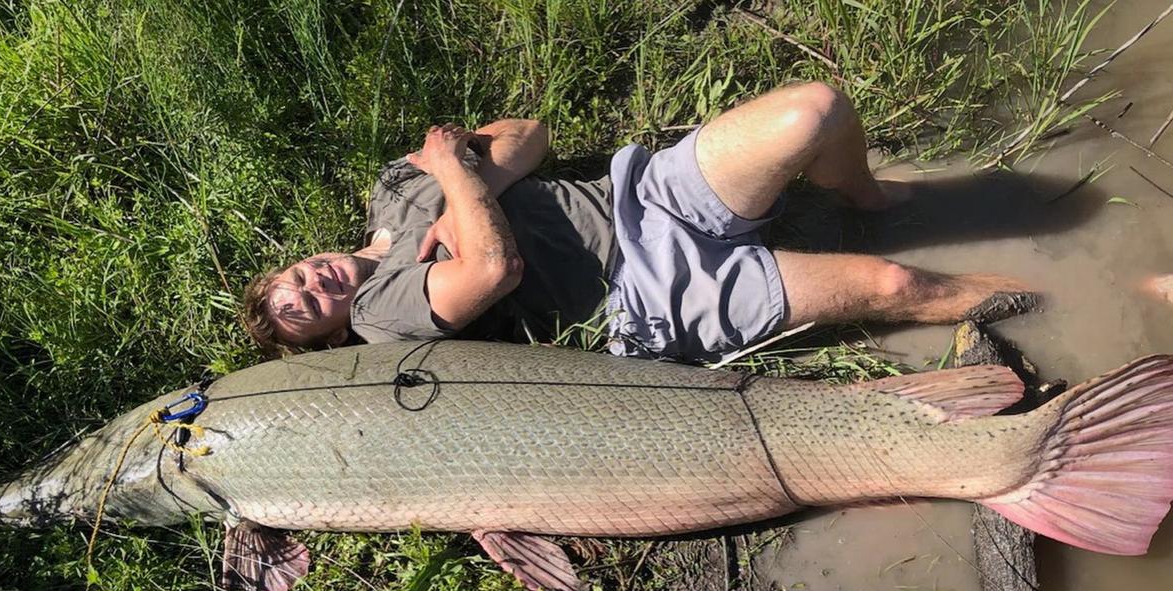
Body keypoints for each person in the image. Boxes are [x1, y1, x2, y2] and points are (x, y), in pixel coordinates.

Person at [242, 82, 1035, 361]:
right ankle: (1054, 302)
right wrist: (454, 168)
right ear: (332, 335)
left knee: (815, 111)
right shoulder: (383, 316)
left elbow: (529, 134)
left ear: (298, 259)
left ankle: (866, 199)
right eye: (308, 310)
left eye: (296, 280)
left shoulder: (392, 188)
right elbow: (491, 271)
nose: (315, 286)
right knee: (895, 285)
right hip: (647, 292)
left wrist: (463, 192)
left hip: (645, 195)